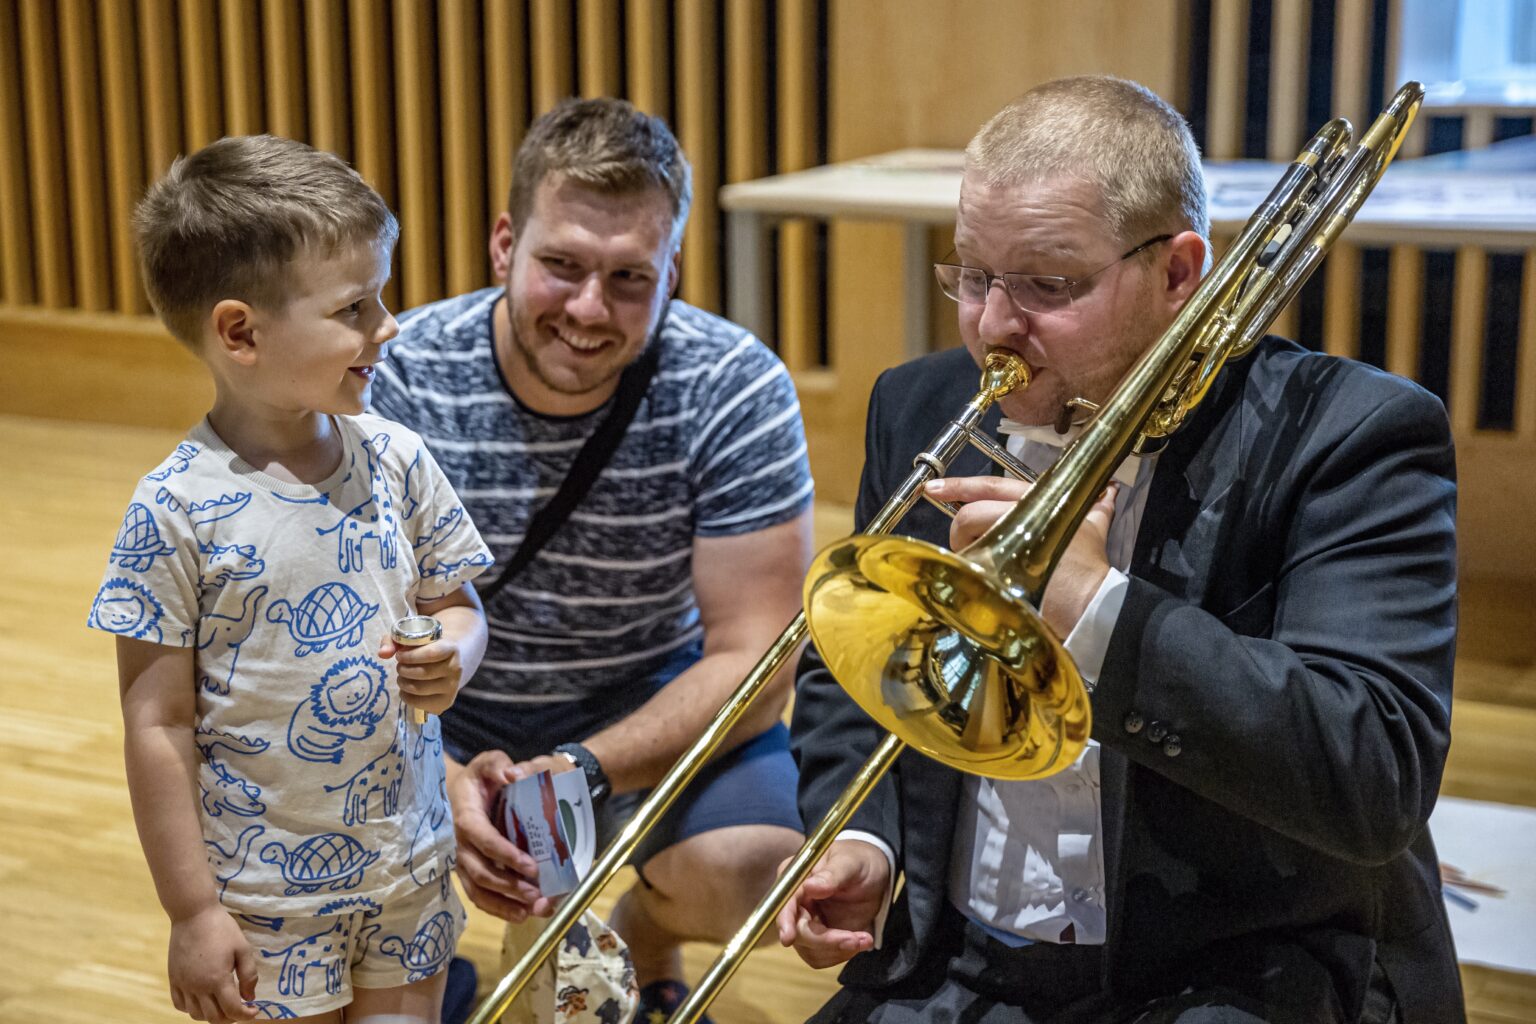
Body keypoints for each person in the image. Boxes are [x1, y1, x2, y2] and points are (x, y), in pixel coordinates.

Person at [780, 76, 1461, 1024]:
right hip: (956, 956)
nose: (992, 327)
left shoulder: (1352, 434)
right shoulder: (919, 403)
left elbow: (1376, 773)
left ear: (1181, 272)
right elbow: (855, 661)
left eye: (1050, 285)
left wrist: (1099, 612)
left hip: (1234, 965)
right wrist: (863, 839)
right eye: (973, 275)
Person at [369, 97, 813, 1020]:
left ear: (673, 273)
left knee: (758, 871)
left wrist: (586, 767)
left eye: (627, 279)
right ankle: (421, 953)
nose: (586, 310)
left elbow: (757, 662)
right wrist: (443, 779)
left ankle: (647, 927)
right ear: (504, 245)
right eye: (561, 266)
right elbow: (338, 631)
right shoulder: (397, 373)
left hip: (640, 708)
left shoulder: (735, 385)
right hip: (434, 713)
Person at [91, 135, 494, 1023]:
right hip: (267, 898)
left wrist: (457, 654)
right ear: (241, 331)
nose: (386, 324)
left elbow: (458, 606)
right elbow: (157, 723)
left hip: (408, 865)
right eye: (355, 305)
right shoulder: (174, 510)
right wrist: (193, 911)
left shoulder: (398, 456)